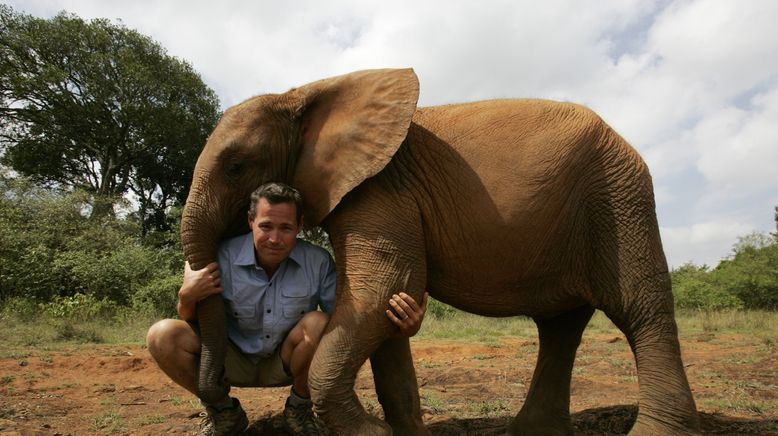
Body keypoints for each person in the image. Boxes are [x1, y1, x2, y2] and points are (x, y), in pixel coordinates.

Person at [146, 182, 428, 436]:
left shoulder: (317, 262)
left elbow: (348, 325)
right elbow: (192, 319)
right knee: (162, 335)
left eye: (286, 229)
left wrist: (403, 329)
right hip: (228, 357)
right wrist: (187, 296)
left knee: (319, 323)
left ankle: (299, 409)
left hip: (287, 361)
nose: (275, 239)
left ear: (300, 226)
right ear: (250, 221)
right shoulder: (221, 255)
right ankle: (223, 413)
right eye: (266, 226)